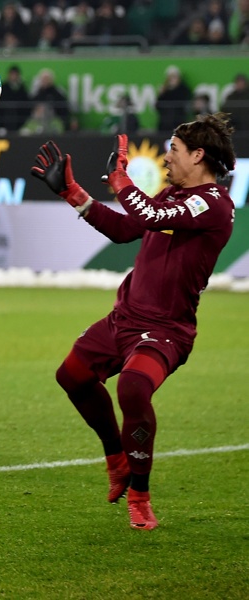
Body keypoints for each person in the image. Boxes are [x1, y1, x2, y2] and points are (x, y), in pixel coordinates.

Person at [30, 113, 236, 530]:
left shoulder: (213, 202)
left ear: (198, 156)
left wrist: (120, 179)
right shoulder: (172, 193)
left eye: (173, 151)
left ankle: (140, 496)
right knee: (70, 377)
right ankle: (116, 458)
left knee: (133, 387)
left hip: (166, 329)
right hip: (124, 316)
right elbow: (128, 229)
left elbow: (151, 217)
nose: (166, 158)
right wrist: (73, 193)